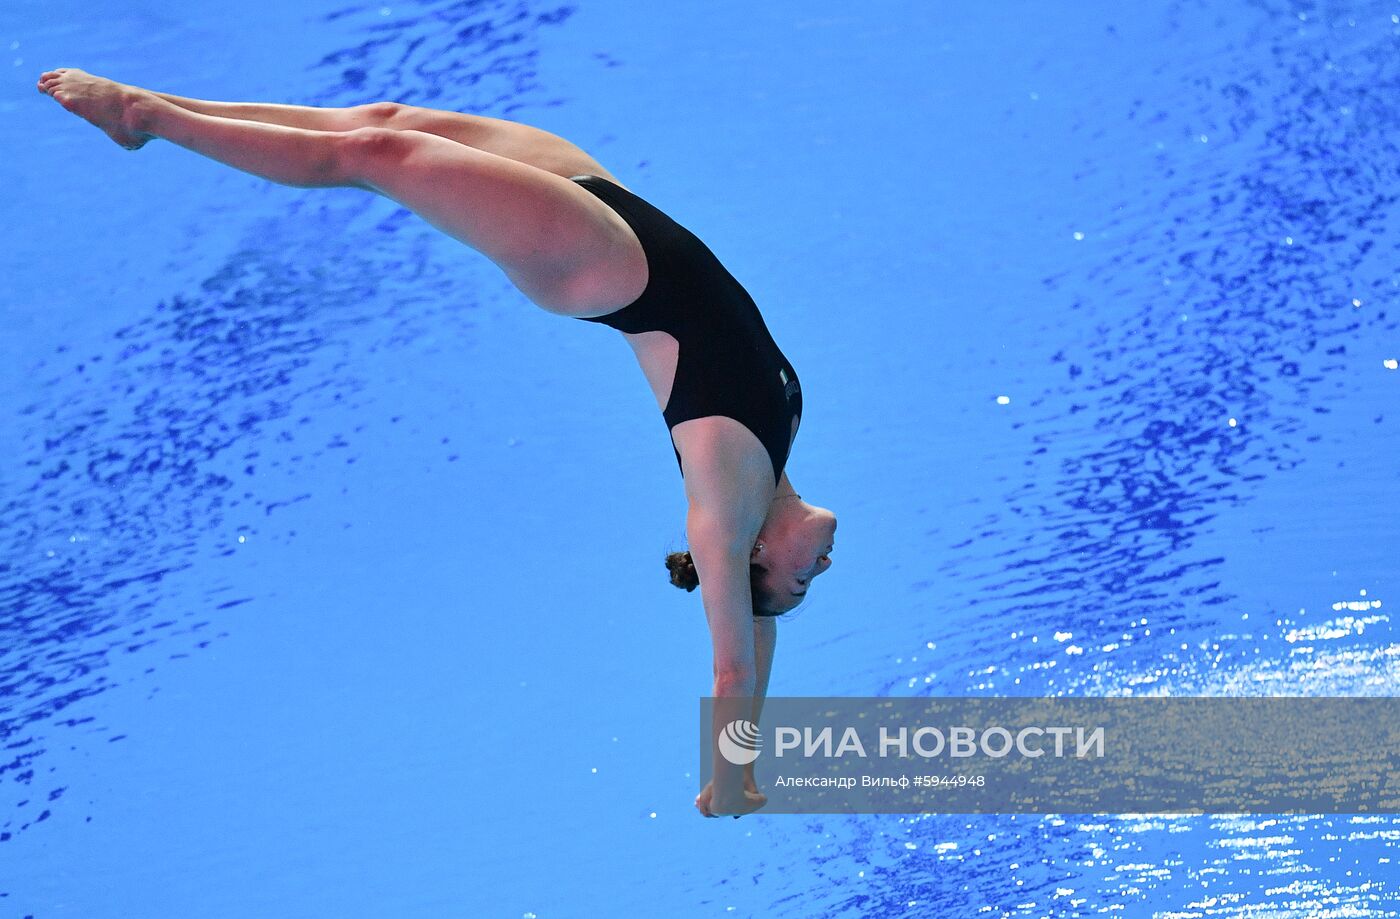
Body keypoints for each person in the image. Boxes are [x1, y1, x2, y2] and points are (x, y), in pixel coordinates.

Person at [37, 68, 837, 818]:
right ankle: (153, 108)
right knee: (384, 121)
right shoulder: (777, 448)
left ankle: (146, 118)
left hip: (595, 258)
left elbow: (733, 662)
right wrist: (753, 729)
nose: (821, 573)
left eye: (800, 584)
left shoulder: (723, 507)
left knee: (373, 154)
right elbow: (758, 638)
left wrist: (730, 779)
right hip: (613, 208)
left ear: (755, 553)